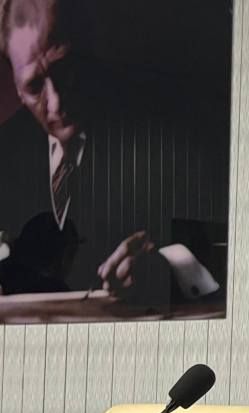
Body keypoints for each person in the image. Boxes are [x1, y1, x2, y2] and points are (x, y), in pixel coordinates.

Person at [0, 0, 217, 303]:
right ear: (16, 87)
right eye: (35, 86)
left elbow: (220, 241)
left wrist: (169, 267)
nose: (56, 103)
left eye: (64, 70)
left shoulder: (168, 127)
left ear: (88, 49)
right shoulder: (5, 151)